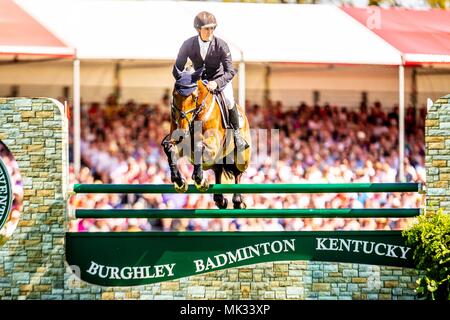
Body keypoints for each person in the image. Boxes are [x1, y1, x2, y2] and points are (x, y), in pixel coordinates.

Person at [172, 11, 249, 151]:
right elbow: (177, 68)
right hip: (199, 81)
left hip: (219, 79)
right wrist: (184, 80)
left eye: (212, 28)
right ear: (198, 29)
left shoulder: (221, 45)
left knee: (229, 100)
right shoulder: (188, 44)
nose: (210, 31)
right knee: (184, 101)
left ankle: (237, 135)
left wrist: (217, 83)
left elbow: (230, 71)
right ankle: (181, 132)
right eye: (206, 28)